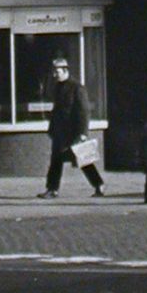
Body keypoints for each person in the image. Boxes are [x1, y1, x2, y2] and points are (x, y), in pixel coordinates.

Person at [38, 55, 106, 198]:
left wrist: (82, 133)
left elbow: (83, 111)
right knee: (56, 160)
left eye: (57, 71)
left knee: (83, 159)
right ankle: (52, 189)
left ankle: (98, 184)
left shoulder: (77, 88)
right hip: (59, 132)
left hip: (73, 132)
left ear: (65, 70)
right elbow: (57, 109)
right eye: (53, 71)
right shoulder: (57, 88)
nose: (54, 74)